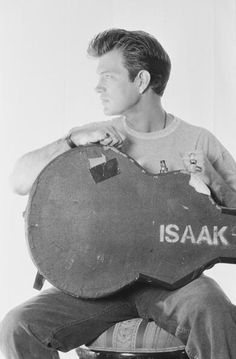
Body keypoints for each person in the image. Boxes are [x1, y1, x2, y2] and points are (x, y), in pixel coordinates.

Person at [1, 28, 236, 359]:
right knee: (18, 325)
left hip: (174, 284)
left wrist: (214, 180)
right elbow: (18, 180)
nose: (98, 86)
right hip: (99, 288)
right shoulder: (97, 140)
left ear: (140, 81)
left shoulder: (198, 141)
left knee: (214, 311)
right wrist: (71, 140)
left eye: (108, 77)